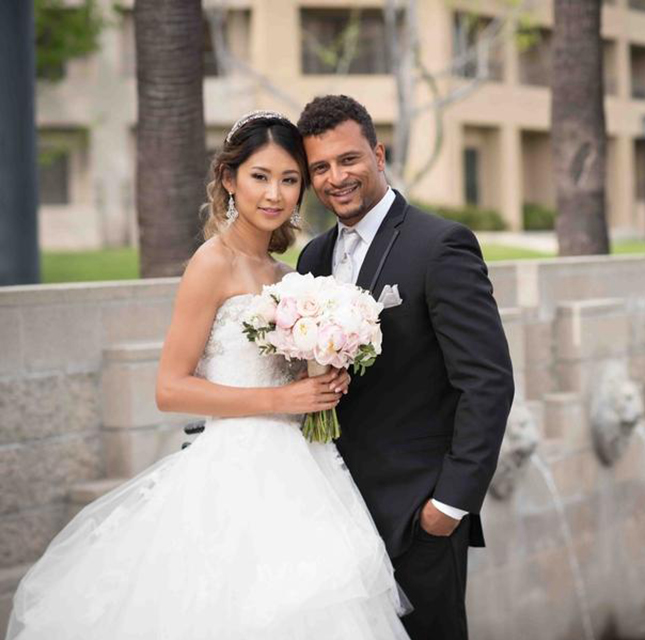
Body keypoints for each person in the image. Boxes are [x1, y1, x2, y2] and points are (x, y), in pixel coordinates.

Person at [5, 112, 410, 640]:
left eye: (289, 180)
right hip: (235, 472)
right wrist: (283, 400)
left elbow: (291, 375)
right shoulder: (210, 263)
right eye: (260, 176)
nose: (275, 194)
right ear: (228, 180)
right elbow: (170, 388)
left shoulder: (289, 276)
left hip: (309, 469)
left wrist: (324, 380)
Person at [296, 94, 515, 640]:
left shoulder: (439, 245)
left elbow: (487, 382)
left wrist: (448, 505)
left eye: (348, 160)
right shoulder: (312, 259)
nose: (335, 178)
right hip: (333, 508)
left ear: (378, 154)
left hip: (417, 517)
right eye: (319, 167)